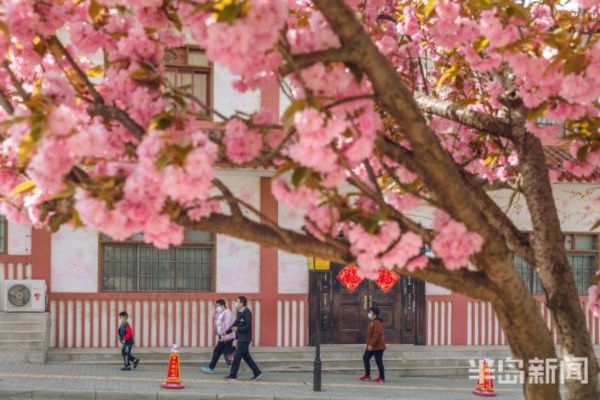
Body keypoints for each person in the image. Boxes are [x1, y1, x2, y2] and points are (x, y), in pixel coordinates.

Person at [224, 296, 263, 381]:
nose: (235, 303)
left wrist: (238, 329)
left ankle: (233, 376)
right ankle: (257, 372)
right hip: (241, 338)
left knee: (236, 357)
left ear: (241, 303)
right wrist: (226, 332)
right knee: (247, 357)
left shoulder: (247, 312)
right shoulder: (240, 312)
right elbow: (236, 323)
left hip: (245, 339)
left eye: (237, 301)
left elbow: (248, 326)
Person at [201, 299, 236, 374]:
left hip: (227, 337)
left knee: (228, 354)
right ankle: (211, 367)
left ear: (222, 305)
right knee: (217, 351)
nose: (216, 307)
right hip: (222, 336)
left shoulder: (227, 313)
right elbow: (216, 320)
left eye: (217, 306)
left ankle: (233, 370)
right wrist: (216, 330)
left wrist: (225, 335)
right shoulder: (220, 312)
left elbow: (227, 324)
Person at [359, 305, 386, 383]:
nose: (369, 314)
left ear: (375, 315)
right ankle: (367, 375)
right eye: (369, 312)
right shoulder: (372, 322)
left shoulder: (377, 323)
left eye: (371, 313)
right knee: (365, 358)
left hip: (378, 347)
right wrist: (369, 345)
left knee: (378, 361)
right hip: (371, 346)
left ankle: (382, 378)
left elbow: (376, 335)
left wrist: (371, 344)